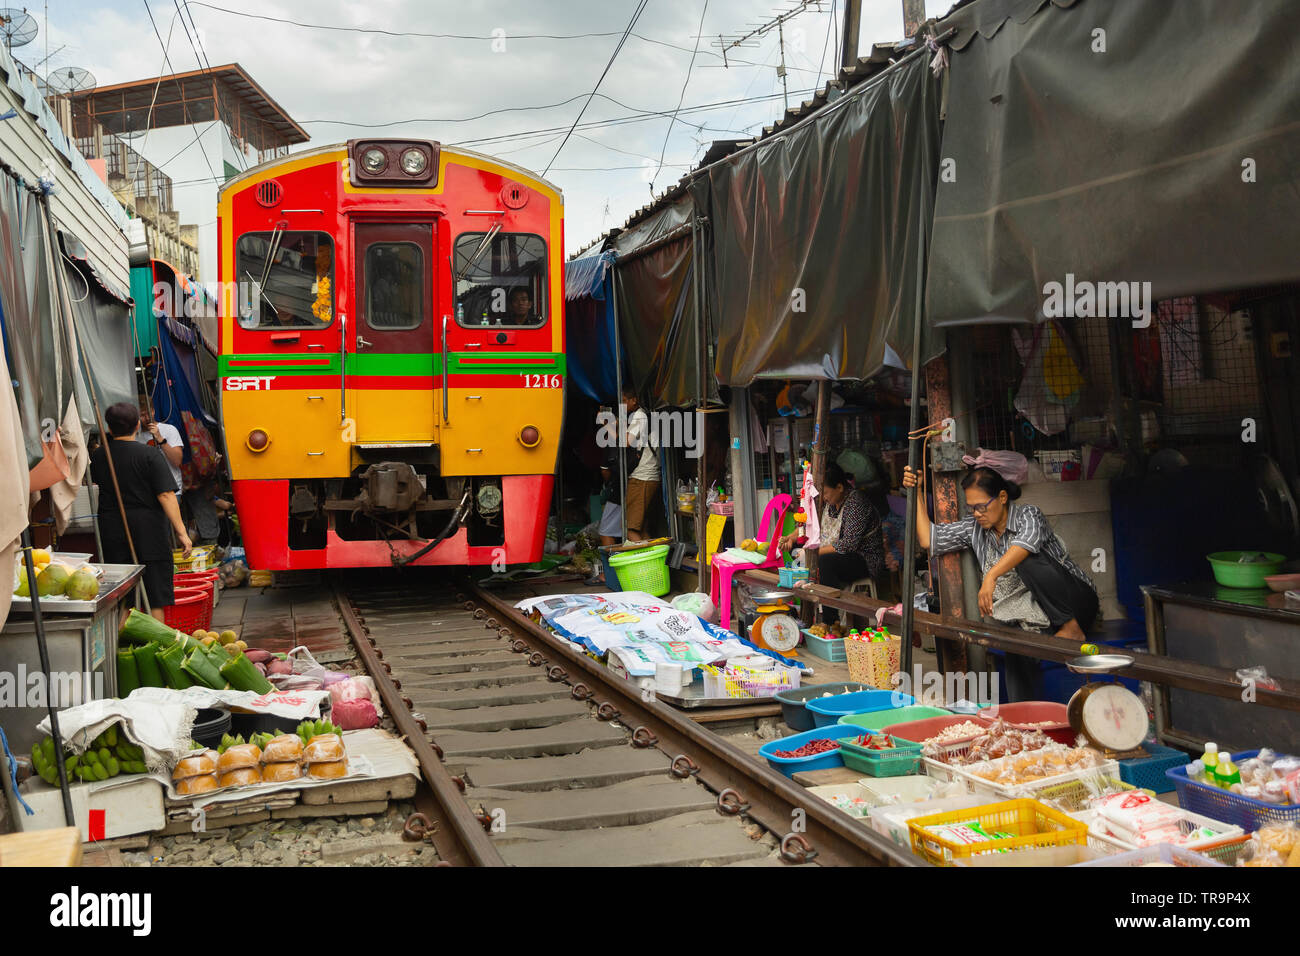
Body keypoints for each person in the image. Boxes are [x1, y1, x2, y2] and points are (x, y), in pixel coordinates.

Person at [902, 465, 1098, 640]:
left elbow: (1025, 545)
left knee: (1025, 559)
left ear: (1002, 498)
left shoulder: (1029, 515)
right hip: (1038, 613)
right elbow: (929, 539)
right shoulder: (974, 527)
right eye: (971, 508)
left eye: (981, 506)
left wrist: (991, 576)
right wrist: (917, 491)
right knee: (1018, 647)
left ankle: (1071, 628)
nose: (977, 513)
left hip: (1076, 602)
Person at [91, 402, 192, 621]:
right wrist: (182, 532)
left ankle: (122, 647)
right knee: (156, 592)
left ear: (109, 428)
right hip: (149, 528)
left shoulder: (100, 456)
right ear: (138, 425)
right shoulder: (149, 454)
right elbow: (165, 495)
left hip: (113, 526)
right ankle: (156, 644)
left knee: (122, 592)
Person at [781, 463, 886, 623]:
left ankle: (830, 621)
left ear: (839, 487)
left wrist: (812, 553)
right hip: (834, 554)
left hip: (863, 559)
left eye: (827, 492)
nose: (824, 497)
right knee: (796, 549)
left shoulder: (856, 503)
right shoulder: (830, 504)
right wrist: (792, 537)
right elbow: (813, 525)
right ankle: (807, 603)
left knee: (824, 562)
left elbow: (848, 545)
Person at [622, 385, 660, 542]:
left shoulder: (640, 416)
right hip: (647, 477)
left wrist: (609, 427)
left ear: (634, 400)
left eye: (624, 401)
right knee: (641, 528)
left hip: (642, 478)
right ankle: (650, 562)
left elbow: (626, 442)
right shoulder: (647, 416)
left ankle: (643, 564)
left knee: (630, 529)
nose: (622, 405)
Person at [137, 394, 183, 494]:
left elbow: (177, 461)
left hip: (171, 490)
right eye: (142, 415)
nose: (147, 418)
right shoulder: (135, 436)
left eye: (149, 413)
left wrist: (160, 439)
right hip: (148, 492)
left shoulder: (169, 429)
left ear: (153, 411)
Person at [598, 448, 623, 547]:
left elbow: (605, 471)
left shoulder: (613, 445)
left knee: (605, 532)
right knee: (637, 529)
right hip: (637, 485)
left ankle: (612, 562)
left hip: (618, 491)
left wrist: (609, 483)